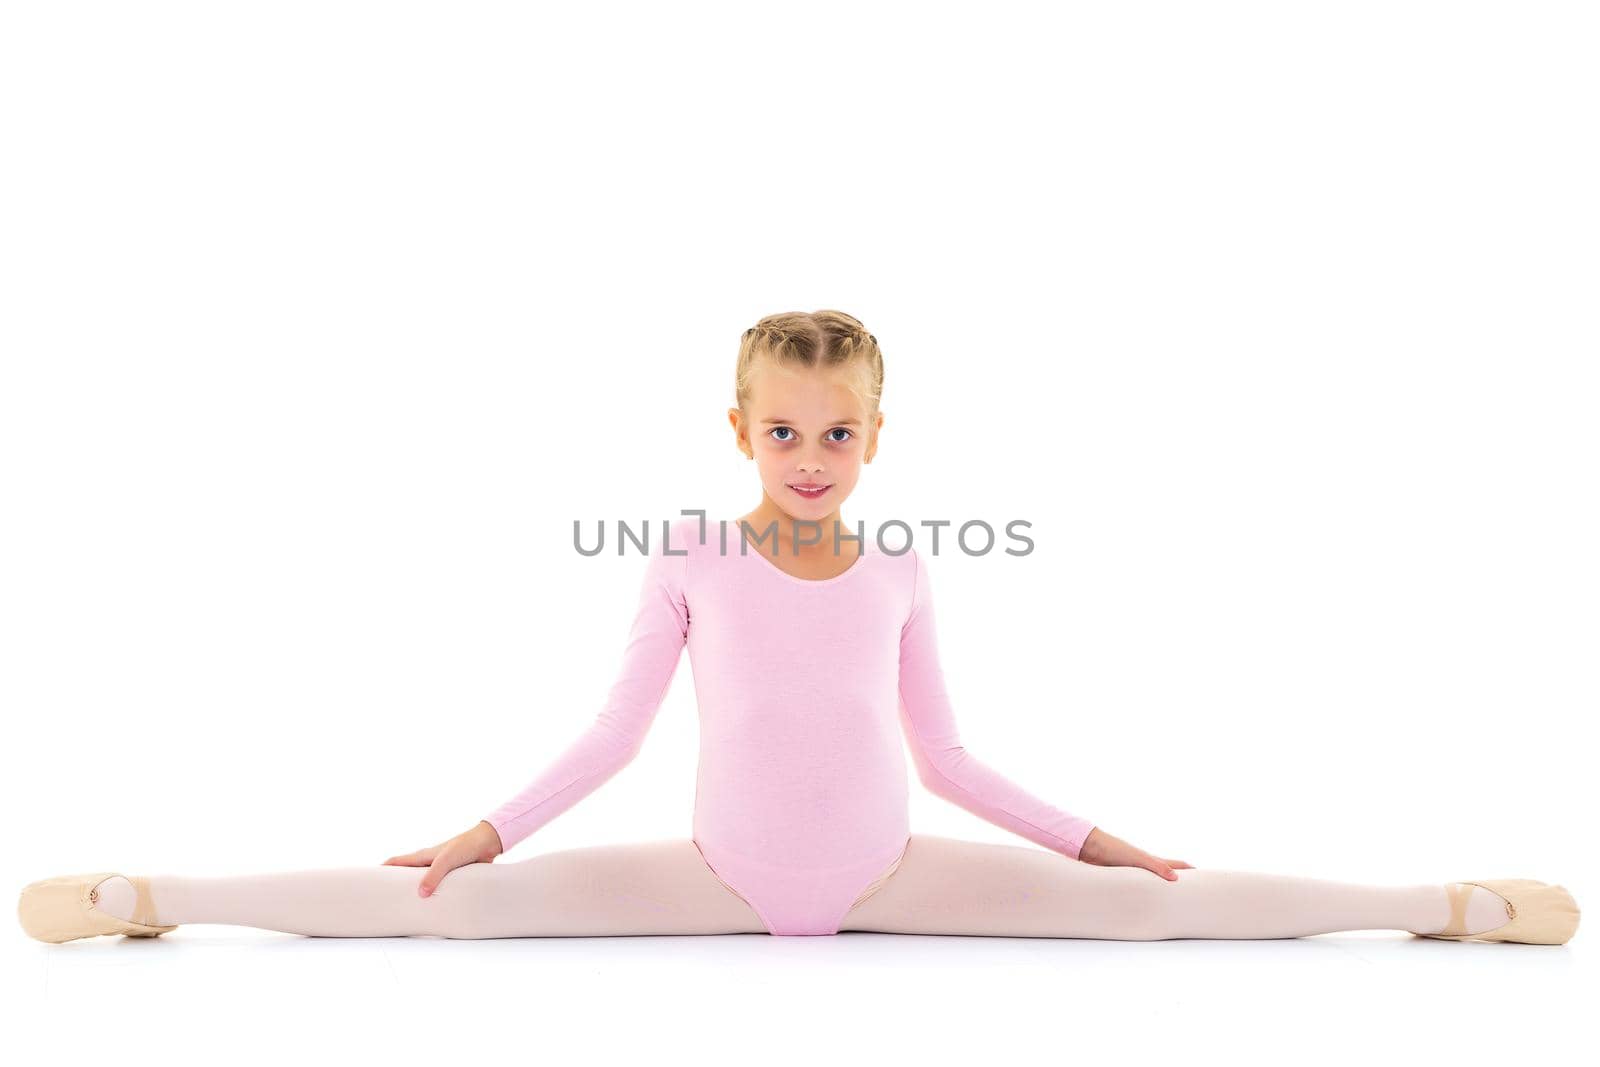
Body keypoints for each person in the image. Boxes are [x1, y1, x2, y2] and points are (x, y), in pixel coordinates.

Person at [18, 310, 1579, 945]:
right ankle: (150, 892)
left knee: (1154, 917)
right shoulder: (689, 552)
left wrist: (1099, 840)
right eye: (786, 433)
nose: (812, 460)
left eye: (839, 435)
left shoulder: (902, 570)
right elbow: (617, 734)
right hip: (712, 875)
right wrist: (483, 833)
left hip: (890, 872)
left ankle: (1449, 906)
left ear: (878, 440)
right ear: (740, 431)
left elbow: (949, 752)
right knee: (441, 913)